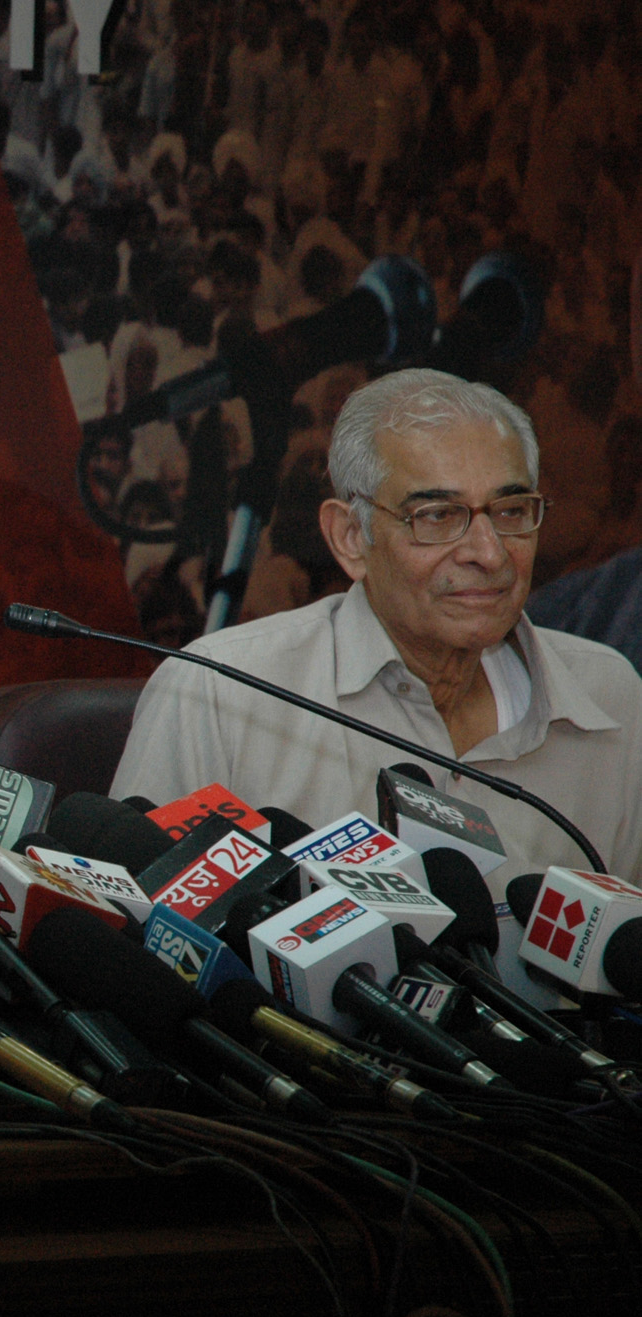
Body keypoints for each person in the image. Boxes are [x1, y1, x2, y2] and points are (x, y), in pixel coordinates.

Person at [112, 367, 642, 1004]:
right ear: (349, 537)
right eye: (438, 515)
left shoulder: (610, 695)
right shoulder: (220, 694)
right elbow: (139, 964)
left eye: (510, 511)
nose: (490, 552)